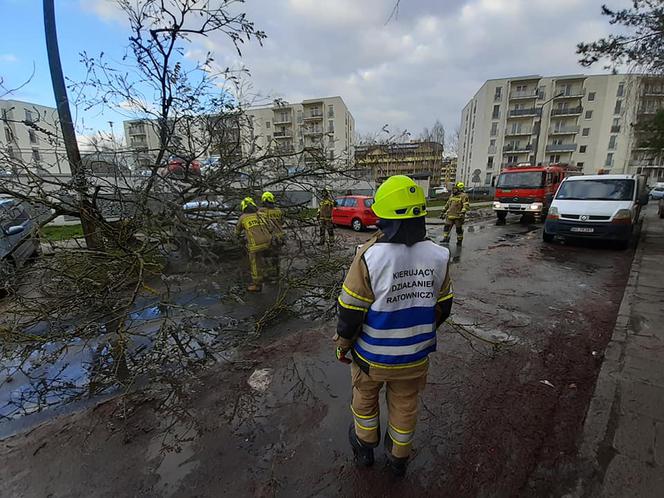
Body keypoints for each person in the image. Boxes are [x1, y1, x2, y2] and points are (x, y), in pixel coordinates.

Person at [334, 175, 453, 476]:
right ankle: (398, 459)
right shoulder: (440, 256)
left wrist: (342, 344)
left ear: (382, 214)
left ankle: (364, 449)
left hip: (371, 358)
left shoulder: (370, 256)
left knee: (364, 401)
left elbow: (350, 311)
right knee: (405, 406)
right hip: (414, 358)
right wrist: (416, 334)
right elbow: (444, 307)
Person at [236, 197, 272, 292]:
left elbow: (237, 232)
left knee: (255, 263)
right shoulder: (261, 214)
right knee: (263, 257)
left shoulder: (243, 217)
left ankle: (257, 284)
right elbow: (270, 227)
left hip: (255, 244)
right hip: (268, 241)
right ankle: (267, 275)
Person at [259, 191, 285, 280]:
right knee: (276, 256)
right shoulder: (278, 211)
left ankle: (270, 276)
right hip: (280, 237)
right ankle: (277, 274)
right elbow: (282, 222)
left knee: (267, 256)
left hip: (270, 237)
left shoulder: (262, 211)